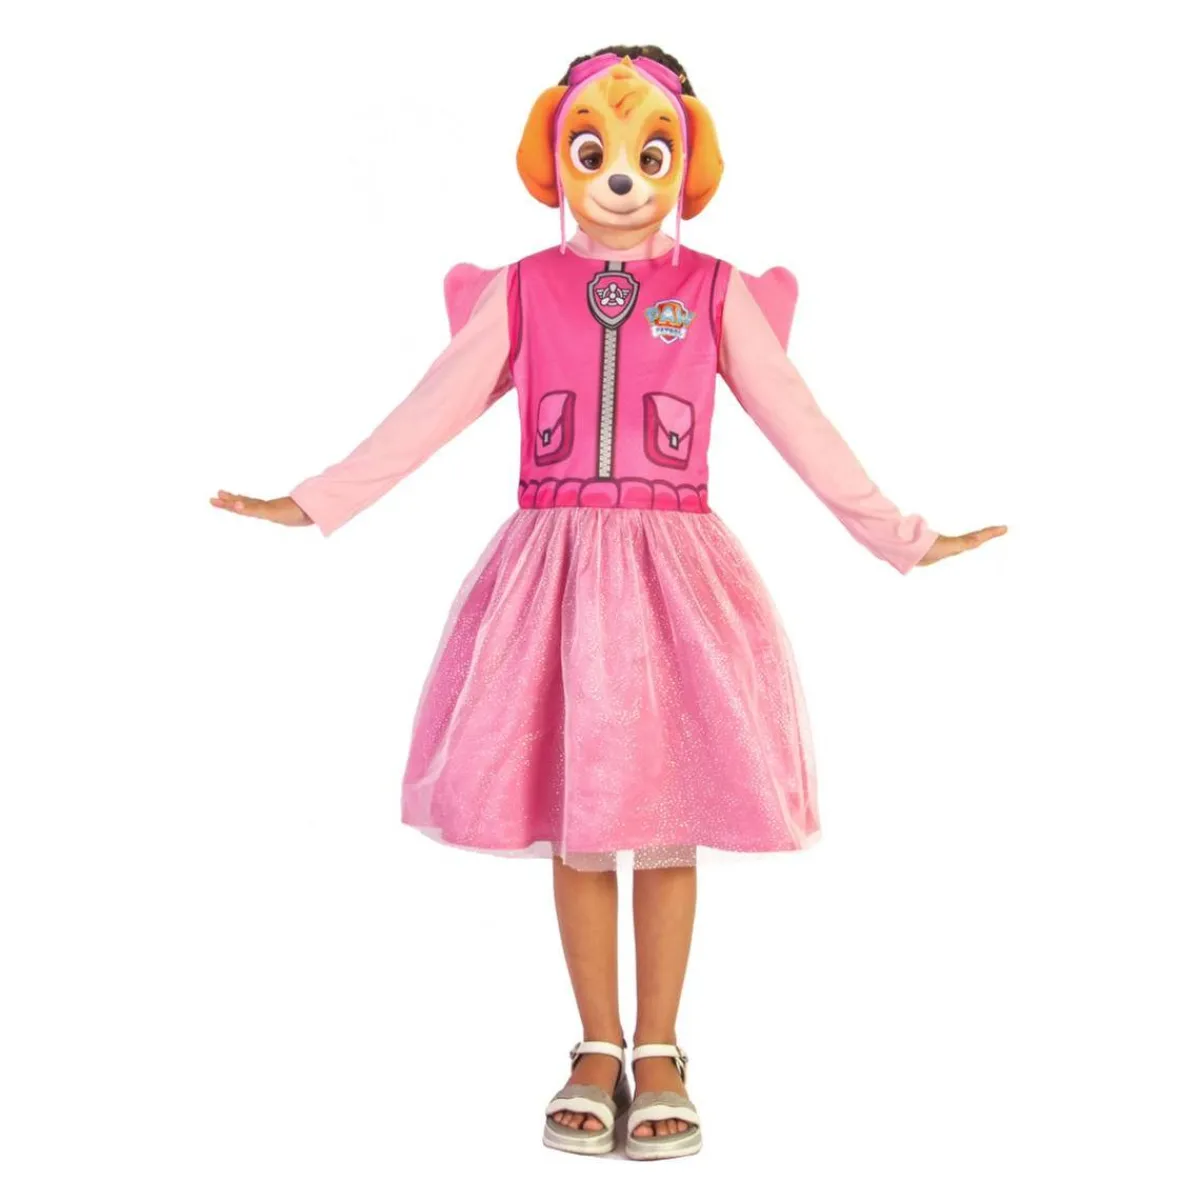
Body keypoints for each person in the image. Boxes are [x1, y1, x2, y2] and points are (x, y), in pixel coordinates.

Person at [211, 44, 1006, 1160]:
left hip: (675, 578)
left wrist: (901, 537)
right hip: (556, 575)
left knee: (667, 815)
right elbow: (431, 410)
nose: (623, 176)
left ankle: (661, 1048)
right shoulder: (524, 290)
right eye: (595, 151)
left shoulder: (713, 293)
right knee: (580, 822)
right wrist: (317, 498)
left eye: (650, 153)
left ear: (687, 163)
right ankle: (595, 1044)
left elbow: (799, 422)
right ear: (557, 159)